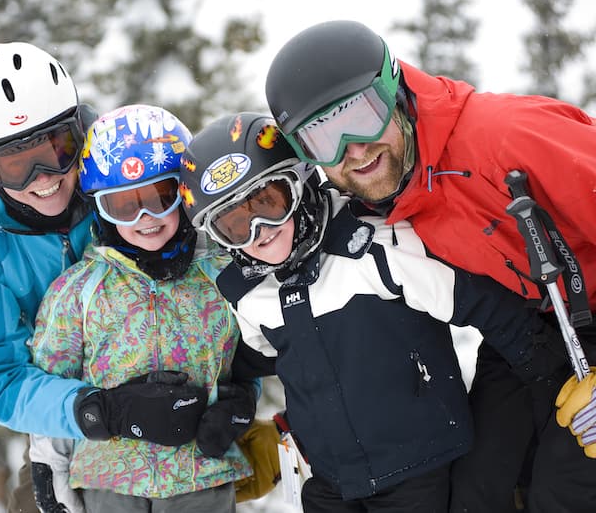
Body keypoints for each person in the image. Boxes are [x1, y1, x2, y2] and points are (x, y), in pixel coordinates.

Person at [264, 19, 596, 512]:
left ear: (394, 91)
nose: (354, 151)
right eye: (323, 138)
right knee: (474, 494)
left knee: (563, 495)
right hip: (529, 330)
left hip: (585, 319)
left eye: (363, 116)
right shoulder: (380, 194)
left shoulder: (503, 139)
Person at [178, 112, 567, 513]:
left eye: (268, 202)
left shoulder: (378, 244)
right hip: (332, 478)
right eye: (235, 225)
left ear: (301, 183)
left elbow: (484, 305)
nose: (260, 230)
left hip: (419, 464)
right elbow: (275, 360)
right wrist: (228, 402)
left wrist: (554, 374)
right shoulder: (248, 292)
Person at [0, 43, 209, 512]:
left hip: (179, 388)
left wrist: (242, 390)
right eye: (15, 166)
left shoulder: (125, 172)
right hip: (63, 417)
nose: (44, 178)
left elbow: (208, 277)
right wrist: (96, 412)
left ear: (78, 130)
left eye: (56, 150)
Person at [28, 104, 256, 513]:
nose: (145, 217)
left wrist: (242, 403)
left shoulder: (221, 273)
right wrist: (49, 463)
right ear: (100, 207)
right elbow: (54, 378)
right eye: (124, 206)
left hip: (199, 474)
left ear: (182, 192)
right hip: (109, 480)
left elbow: (251, 355)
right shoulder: (78, 291)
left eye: (159, 197)